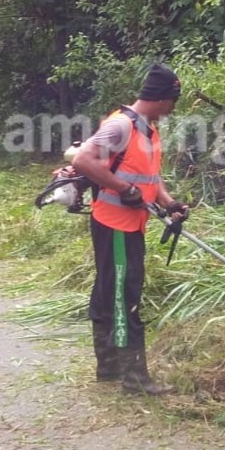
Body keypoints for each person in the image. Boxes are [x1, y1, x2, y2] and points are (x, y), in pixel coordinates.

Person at [72, 63, 189, 396]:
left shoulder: (148, 129)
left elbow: (150, 176)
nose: (173, 109)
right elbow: (84, 160)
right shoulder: (121, 125)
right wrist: (124, 190)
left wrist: (168, 203)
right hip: (116, 224)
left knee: (110, 289)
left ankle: (108, 366)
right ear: (163, 98)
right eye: (173, 101)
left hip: (131, 224)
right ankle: (134, 378)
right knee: (125, 296)